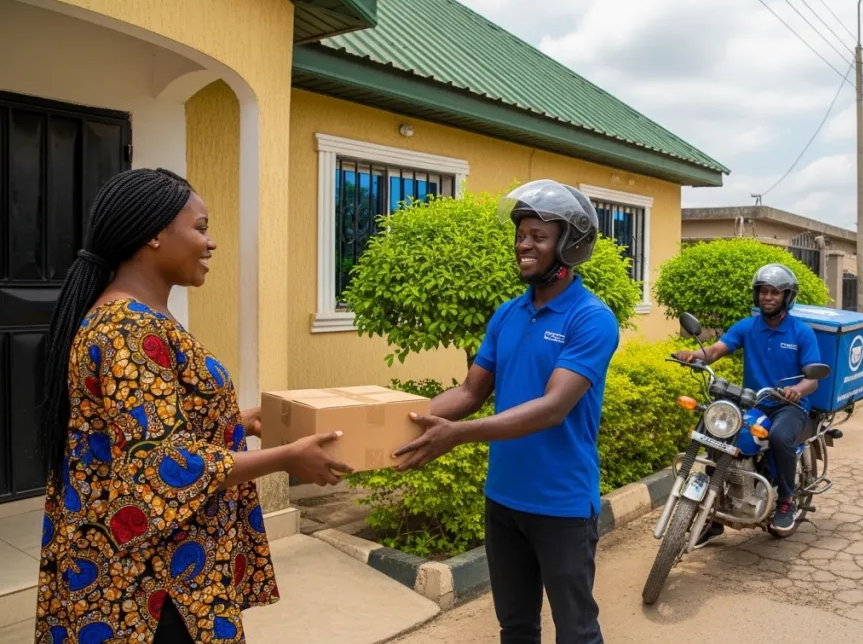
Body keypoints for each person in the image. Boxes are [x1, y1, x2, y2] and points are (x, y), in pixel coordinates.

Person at [35, 168, 352, 644]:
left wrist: (234, 422)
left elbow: (142, 427)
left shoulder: (138, 317)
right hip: (148, 589)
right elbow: (162, 465)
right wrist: (288, 459)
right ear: (153, 235)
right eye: (200, 227)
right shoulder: (128, 328)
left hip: (148, 574)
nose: (211, 243)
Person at [391, 179, 618, 644]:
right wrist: (392, 419)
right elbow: (470, 391)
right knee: (515, 628)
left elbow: (553, 407)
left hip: (561, 504)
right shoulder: (508, 314)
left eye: (538, 235)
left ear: (570, 245)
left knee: (576, 631)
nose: (523, 244)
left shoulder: (591, 318)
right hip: (504, 500)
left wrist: (457, 435)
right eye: (520, 234)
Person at [672, 263, 822, 541]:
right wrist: (695, 355)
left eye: (775, 292)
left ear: (787, 297)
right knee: (716, 433)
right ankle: (712, 514)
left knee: (779, 437)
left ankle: (786, 499)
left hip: (790, 406)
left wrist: (797, 390)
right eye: (764, 291)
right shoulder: (748, 326)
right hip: (755, 401)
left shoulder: (801, 333)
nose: (768, 297)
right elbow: (717, 349)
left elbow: (813, 378)